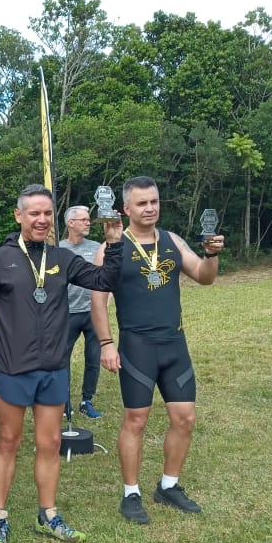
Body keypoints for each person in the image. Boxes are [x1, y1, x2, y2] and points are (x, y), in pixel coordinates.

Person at [0, 184, 123, 543]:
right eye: (34, 213)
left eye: (46, 213)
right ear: (18, 216)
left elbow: (104, 279)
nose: (41, 220)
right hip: (12, 368)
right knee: (9, 440)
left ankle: (48, 515)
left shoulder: (62, 258)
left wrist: (114, 242)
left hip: (53, 367)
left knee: (50, 442)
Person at [90, 176, 225, 524]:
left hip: (174, 344)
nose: (149, 208)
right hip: (137, 347)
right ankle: (130, 493)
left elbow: (205, 276)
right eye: (142, 203)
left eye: (154, 201)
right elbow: (98, 299)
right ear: (126, 208)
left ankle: (168, 486)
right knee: (136, 420)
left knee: (185, 418)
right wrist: (106, 343)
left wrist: (211, 255)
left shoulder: (172, 241)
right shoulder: (112, 247)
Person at [60, 206, 103, 419]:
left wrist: (105, 300)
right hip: (67, 313)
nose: (88, 223)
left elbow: (105, 277)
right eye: (83, 220)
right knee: (62, 359)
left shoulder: (96, 248)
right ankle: (64, 402)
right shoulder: (58, 249)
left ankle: (87, 401)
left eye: (88, 219)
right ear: (71, 223)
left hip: (93, 312)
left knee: (93, 358)